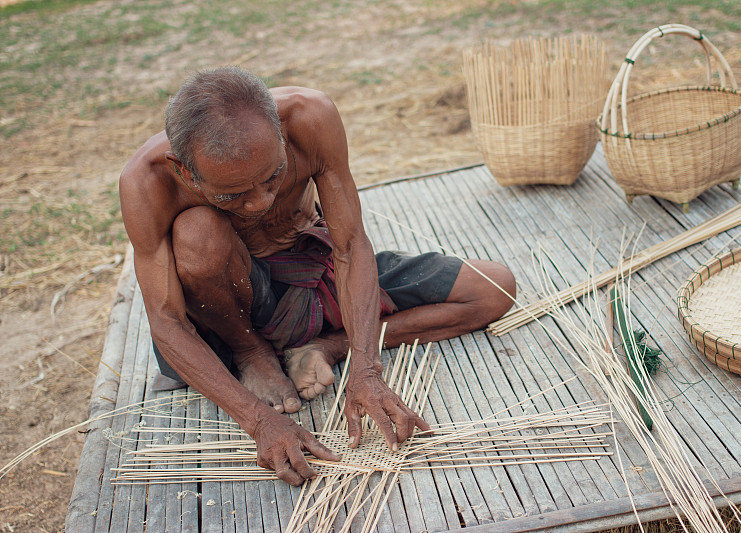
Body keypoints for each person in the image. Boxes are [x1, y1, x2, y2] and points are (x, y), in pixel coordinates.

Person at [119, 66, 516, 486]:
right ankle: (252, 353)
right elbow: (167, 322)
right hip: (233, 306)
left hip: (316, 270)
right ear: (184, 171)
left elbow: (349, 246)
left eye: (273, 178)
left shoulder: (310, 117)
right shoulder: (147, 182)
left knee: (493, 288)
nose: (258, 204)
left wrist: (365, 367)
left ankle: (325, 345)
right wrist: (259, 421)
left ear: (280, 133)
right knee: (198, 233)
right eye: (230, 196)